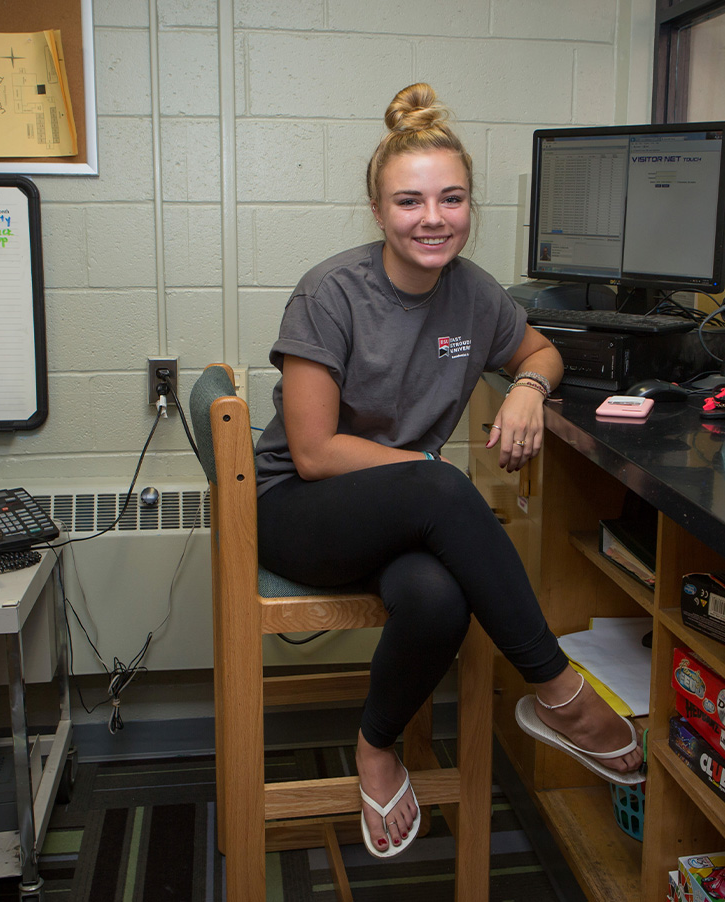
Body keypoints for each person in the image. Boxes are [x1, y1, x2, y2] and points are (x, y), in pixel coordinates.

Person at [254, 83, 643, 859]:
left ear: (470, 207)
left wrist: (531, 388)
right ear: (378, 212)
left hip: (406, 511)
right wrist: (431, 478)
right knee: (442, 484)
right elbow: (314, 451)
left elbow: (540, 350)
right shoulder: (331, 292)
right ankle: (560, 694)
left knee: (436, 601)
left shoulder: (474, 294)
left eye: (451, 198)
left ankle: (374, 743)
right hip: (300, 509)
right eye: (409, 201)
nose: (432, 218)